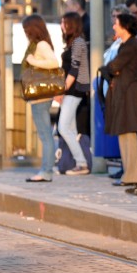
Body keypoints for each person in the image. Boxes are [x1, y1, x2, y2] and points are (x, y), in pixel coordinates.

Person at [103, 11, 137, 187]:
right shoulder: (125, 45)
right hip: (124, 92)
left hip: (129, 94)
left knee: (128, 132)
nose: (114, 26)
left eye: (117, 24)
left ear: (125, 27)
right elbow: (111, 68)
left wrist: (112, 70)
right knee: (124, 132)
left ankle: (133, 175)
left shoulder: (131, 46)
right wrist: (111, 70)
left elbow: (113, 66)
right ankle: (129, 174)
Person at [21, 15, 62, 183]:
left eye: (26, 29)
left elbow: (54, 62)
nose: (25, 33)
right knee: (45, 135)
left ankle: (46, 171)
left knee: (45, 135)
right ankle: (45, 170)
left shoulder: (41, 45)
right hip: (38, 97)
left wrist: (33, 61)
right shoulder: (36, 45)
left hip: (41, 96)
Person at [57, 12, 92, 175]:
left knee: (63, 127)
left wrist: (62, 88)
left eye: (64, 22)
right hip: (71, 90)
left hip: (75, 90)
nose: (62, 25)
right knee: (70, 128)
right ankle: (79, 163)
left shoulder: (78, 42)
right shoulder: (73, 43)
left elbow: (75, 68)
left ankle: (82, 162)